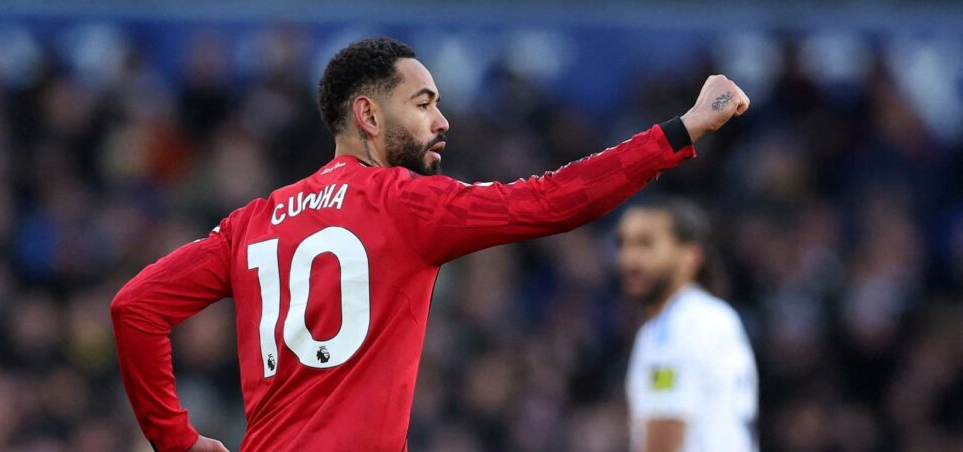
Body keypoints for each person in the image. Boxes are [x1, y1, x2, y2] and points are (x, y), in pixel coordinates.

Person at [110, 36, 749, 452]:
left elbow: (135, 308)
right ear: (368, 115)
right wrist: (682, 130)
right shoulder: (404, 204)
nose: (441, 120)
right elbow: (553, 200)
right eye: (422, 104)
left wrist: (177, 441)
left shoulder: (252, 222)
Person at [616, 198, 759, 452]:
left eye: (646, 244)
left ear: (689, 257)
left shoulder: (676, 327)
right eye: (623, 244)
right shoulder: (714, 316)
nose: (629, 258)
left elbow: (665, 436)